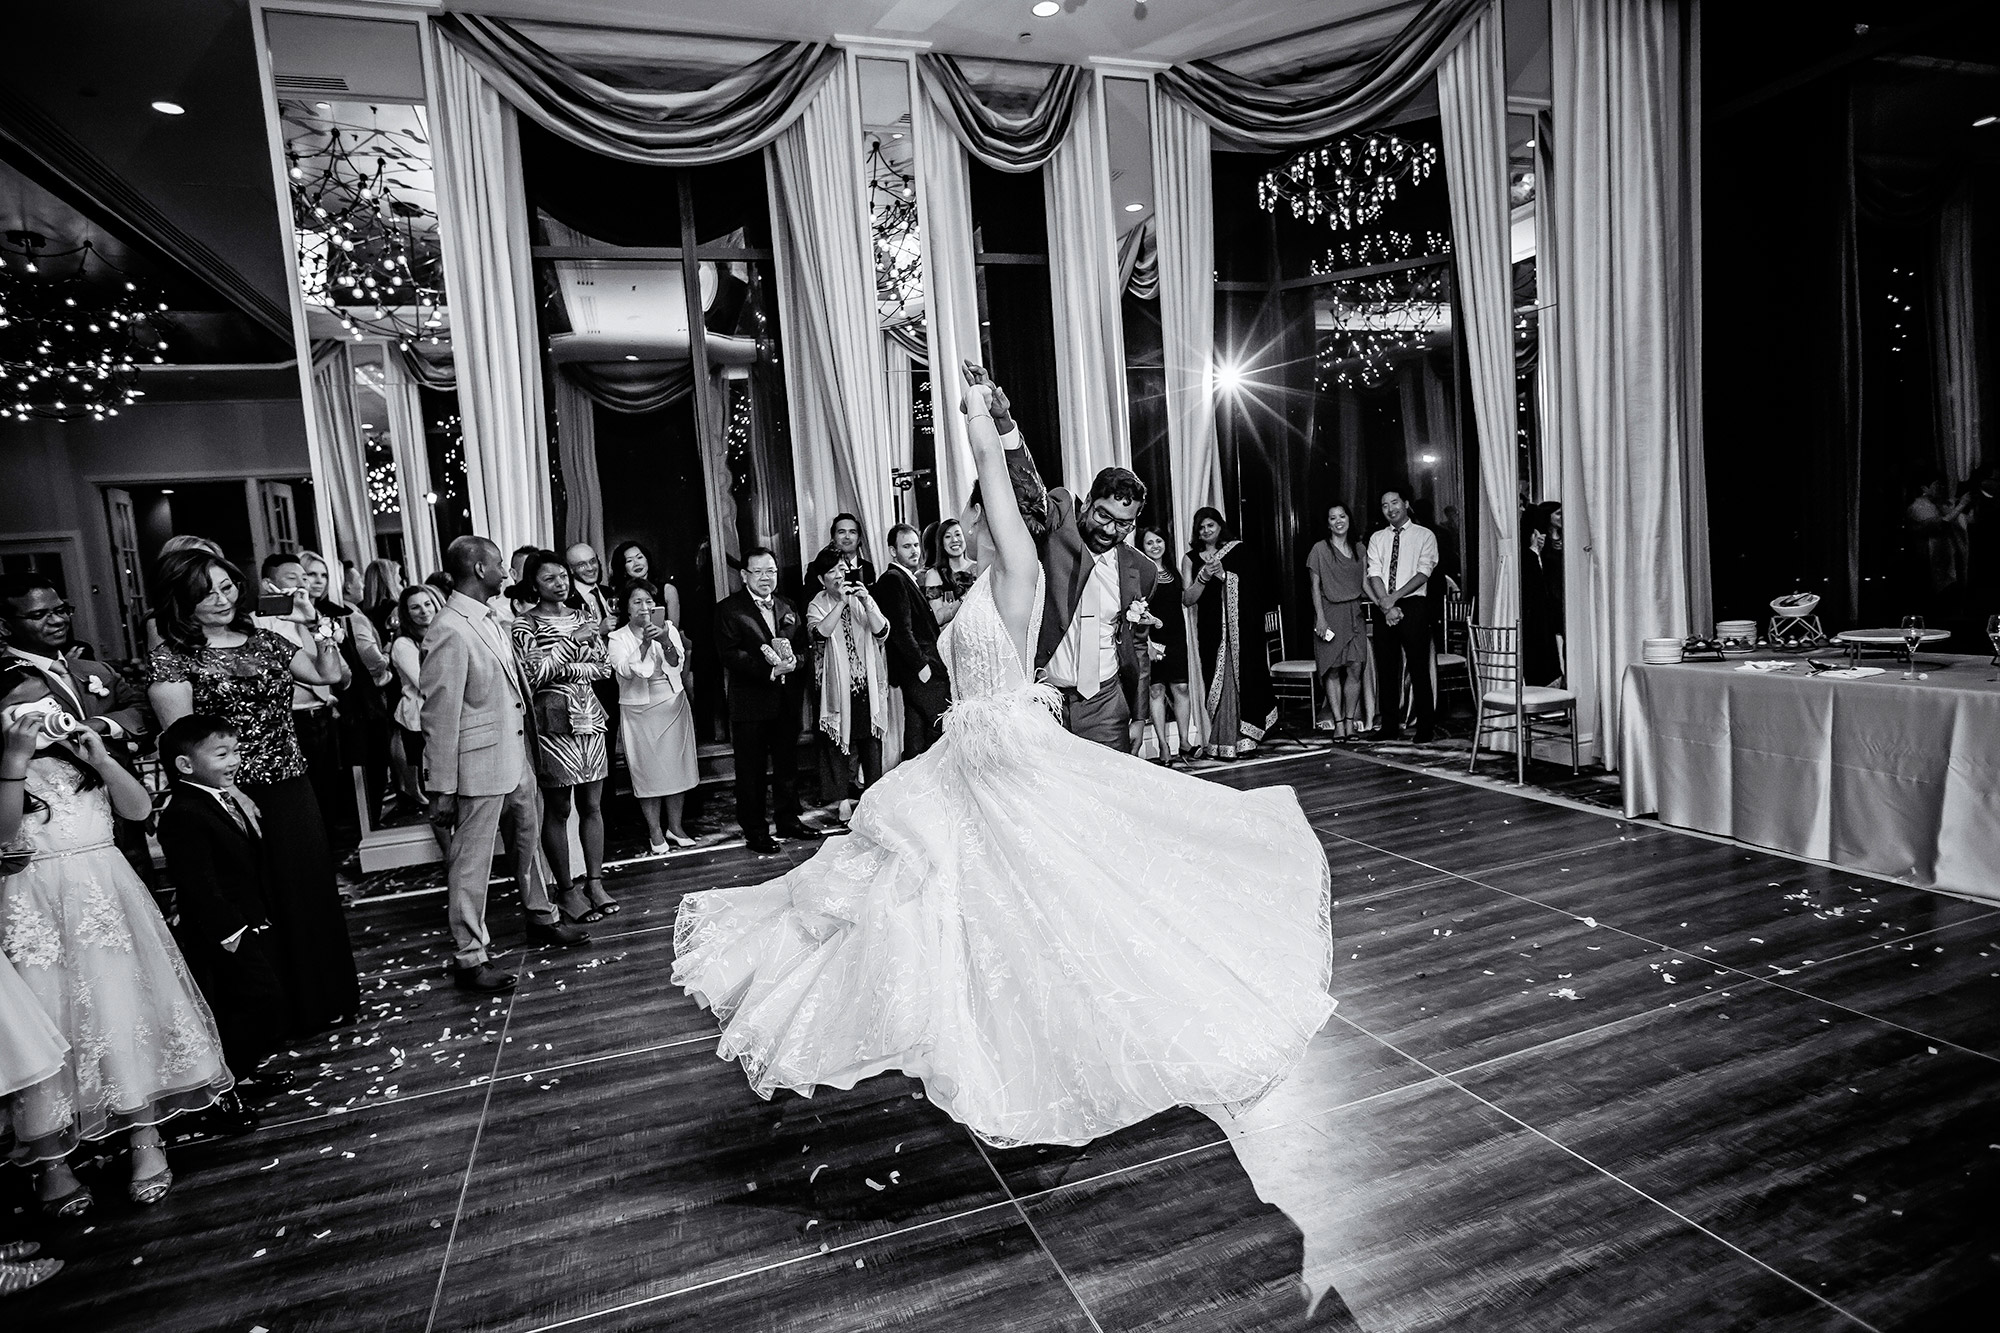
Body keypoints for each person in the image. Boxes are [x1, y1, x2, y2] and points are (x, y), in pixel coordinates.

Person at [671, 364, 1335, 1148]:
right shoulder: (988, 584)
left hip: (1007, 758)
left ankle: (1047, 1034)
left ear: (1001, 518)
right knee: (950, 904)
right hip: (970, 758)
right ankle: (975, 1024)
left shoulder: (1022, 570)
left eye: (977, 512)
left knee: (1041, 902)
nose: (967, 520)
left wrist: (981, 411)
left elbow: (996, 471)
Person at [1, 667, 233, 1213]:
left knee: (121, 1007)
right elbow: (3, 836)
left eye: (47, 704)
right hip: (31, 904)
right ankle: (51, 1162)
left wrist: (100, 757)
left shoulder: (85, 761)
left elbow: (139, 810)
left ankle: (144, 1137)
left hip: (104, 895)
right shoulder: (3, 768)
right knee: (45, 1021)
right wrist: (13, 760)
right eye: (22, 708)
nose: (40, 717)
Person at [149, 550, 359, 1032]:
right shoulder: (173, 658)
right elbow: (183, 743)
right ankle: (278, 1011)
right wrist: (228, 793)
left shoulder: (264, 639)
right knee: (260, 899)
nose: (221, 599)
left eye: (227, 587)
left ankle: (324, 999)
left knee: (306, 889)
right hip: (230, 795)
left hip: (290, 783)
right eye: (206, 593)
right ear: (182, 599)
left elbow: (331, 676)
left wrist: (315, 623)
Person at [420, 537, 587, 994]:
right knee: (470, 864)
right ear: (478, 567)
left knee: (529, 844)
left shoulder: (494, 618)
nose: (507, 573)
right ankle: (470, 956)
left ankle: (541, 917)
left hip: (517, 757)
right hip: (477, 764)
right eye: (499, 565)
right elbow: (439, 714)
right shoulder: (449, 628)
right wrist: (441, 786)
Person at [980, 375, 1156, 752]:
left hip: (1107, 704)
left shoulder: (1142, 570)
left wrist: (1138, 716)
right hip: (1048, 701)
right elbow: (1030, 488)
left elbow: (1137, 646)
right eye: (1103, 515)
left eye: (1124, 523)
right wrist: (1004, 423)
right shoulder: (1060, 521)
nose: (1111, 530)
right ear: (1088, 501)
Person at [153, 715, 291, 1082]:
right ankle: (229, 1080)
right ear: (186, 765)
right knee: (255, 999)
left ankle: (242, 1075)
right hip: (223, 930)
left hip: (246, 919)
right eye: (221, 754)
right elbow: (198, 883)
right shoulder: (183, 813)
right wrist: (231, 932)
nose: (234, 761)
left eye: (236, 751)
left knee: (246, 1002)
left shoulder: (216, 800)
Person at [509, 551, 616, 923]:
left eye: (563, 576)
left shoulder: (584, 617)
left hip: (589, 717)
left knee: (593, 806)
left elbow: (604, 667)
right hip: (553, 723)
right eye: (550, 578)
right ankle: (566, 889)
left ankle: (596, 882)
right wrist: (574, 645)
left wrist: (567, 661)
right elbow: (533, 677)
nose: (561, 583)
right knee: (559, 809)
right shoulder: (525, 625)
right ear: (533, 584)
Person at [714, 547, 816, 855]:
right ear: (744, 575)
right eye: (757, 572)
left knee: (787, 765)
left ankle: (788, 820)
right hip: (750, 703)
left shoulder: (787, 604)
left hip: (786, 700)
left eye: (770, 571)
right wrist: (769, 669)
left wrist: (795, 663)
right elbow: (730, 654)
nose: (765, 577)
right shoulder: (729, 609)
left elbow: (802, 647)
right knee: (751, 770)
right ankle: (755, 830)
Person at [253, 552, 352, 841]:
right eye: (292, 578)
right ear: (268, 584)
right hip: (288, 721)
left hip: (322, 715)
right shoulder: (259, 626)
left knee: (329, 791)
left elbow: (340, 674)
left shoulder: (315, 619)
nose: (303, 584)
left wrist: (316, 624)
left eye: (305, 578)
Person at [607, 580, 697, 854]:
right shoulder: (617, 638)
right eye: (637, 602)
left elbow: (676, 663)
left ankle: (676, 826)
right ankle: (655, 831)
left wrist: (664, 640)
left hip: (672, 702)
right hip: (639, 710)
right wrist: (645, 645)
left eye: (649, 601)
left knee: (676, 767)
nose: (645, 607)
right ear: (626, 608)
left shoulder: (667, 628)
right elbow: (624, 670)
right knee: (647, 772)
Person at [805, 547, 890, 823]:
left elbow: (882, 631)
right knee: (838, 745)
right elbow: (820, 634)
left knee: (870, 742)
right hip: (836, 686)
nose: (840, 575)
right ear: (822, 579)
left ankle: (874, 797)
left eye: (843, 568)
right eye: (832, 571)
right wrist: (841, 603)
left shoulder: (862, 596)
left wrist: (866, 602)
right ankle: (842, 800)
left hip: (866, 682)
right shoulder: (817, 603)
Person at [1184, 508, 1276, 760]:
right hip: (1211, 629)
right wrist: (1203, 577)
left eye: (1210, 525)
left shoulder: (1238, 551)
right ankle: (1220, 740)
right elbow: (1187, 598)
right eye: (1201, 527)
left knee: (1241, 676)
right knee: (1216, 679)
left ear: (1220, 526)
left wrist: (1224, 575)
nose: (1206, 531)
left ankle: (1244, 739)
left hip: (1240, 631)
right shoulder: (1191, 558)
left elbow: (1254, 587)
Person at [1365, 487, 1439, 743]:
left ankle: (1425, 727)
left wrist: (1392, 599)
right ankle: (1389, 726)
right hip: (1384, 606)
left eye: (1394, 503)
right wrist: (1386, 605)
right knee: (1386, 669)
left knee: (1418, 667)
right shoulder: (1377, 538)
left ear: (1405, 504)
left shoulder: (1424, 535)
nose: (1390, 509)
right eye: (1384, 505)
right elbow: (1373, 572)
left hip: (1413, 605)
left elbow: (1423, 573)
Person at [874, 523, 950, 756]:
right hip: (919, 670)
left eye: (916, 545)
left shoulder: (906, 578)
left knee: (918, 737)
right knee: (940, 729)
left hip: (919, 670)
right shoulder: (893, 579)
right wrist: (922, 666)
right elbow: (900, 631)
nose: (914, 550)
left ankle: (915, 788)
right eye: (907, 546)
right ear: (893, 551)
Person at [1307, 504, 1373, 737]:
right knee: (1332, 670)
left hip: (1354, 614)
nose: (1338, 521)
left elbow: (1365, 583)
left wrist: (1383, 604)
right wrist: (1321, 619)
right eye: (1332, 518)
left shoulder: (1359, 548)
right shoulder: (1319, 549)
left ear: (1348, 519)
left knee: (1355, 668)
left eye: (1342, 516)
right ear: (1328, 523)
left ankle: (1349, 720)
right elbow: (1314, 588)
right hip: (1329, 614)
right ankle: (1337, 723)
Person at [389, 584, 447, 848]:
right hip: (419, 724)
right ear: (406, 613)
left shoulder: (446, 633)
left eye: (427, 604)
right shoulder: (403, 644)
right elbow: (425, 682)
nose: (423, 611)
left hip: (450, 719)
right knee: (436, 792)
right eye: (415, 607)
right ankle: (449, 856)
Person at [1136, 528, 1196, 764]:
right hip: (1152, 640)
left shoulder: (1174, 572)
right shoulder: (1141, 574)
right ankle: (1163, 745)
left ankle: (1184, 742)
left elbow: (1184, 601)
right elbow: (1138, 611)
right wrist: (1147, 642)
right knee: (1156, 690)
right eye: (1149, 542)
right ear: (1143, 547)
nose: (1155, 546)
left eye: (1158, 541)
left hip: (1176, 638)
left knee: (1181, 688)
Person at [1520, 501, 1565, 687]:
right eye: (1558, 514)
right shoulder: (1531, 554)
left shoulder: (1565, 537)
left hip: (1559, 596)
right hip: (1548, 600)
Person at [920, 518, 979, 627]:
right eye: (948, 536)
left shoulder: (978, 568)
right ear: (941, 543)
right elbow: (938, 618)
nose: (954, 540)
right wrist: (965, 597)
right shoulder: (934, 574)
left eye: (958, 534)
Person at [609, 540, 681, 628]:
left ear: (647, 560)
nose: (636, 563)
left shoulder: (668, 590)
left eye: (639, 557)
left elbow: (674, 630)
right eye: (629, 561)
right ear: (623, 568)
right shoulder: (619, 594)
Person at [820, 513, 878, 587]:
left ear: (859, 539)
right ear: (832, 538)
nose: (847, 537)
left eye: (852, 532)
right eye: (841, 532)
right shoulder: (817, 567)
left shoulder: (868, 568)